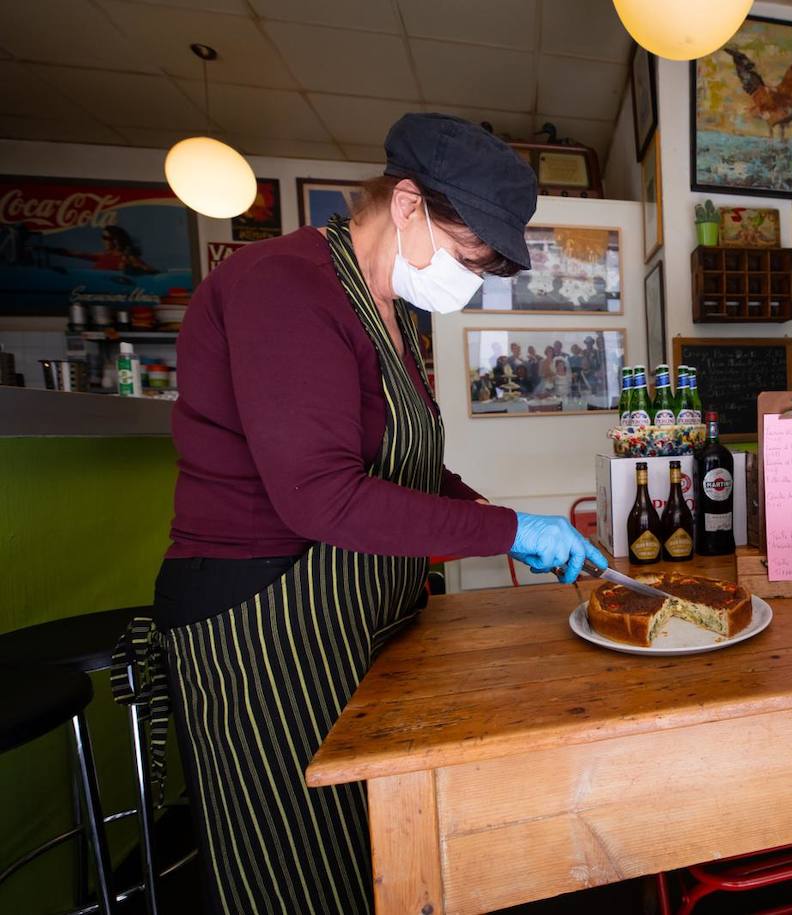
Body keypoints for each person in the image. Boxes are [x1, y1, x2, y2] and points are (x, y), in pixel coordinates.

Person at [118, 113, 605, 915]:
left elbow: (406, 462)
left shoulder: (397, 314)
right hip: (262, 617)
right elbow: (320, 494)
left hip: (351, 611)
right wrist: (510, 531)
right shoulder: (282, 285)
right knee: (297, 862)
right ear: (407, 203)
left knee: (372, 850)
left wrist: (502, 514)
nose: (471, 279)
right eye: (470, 254)